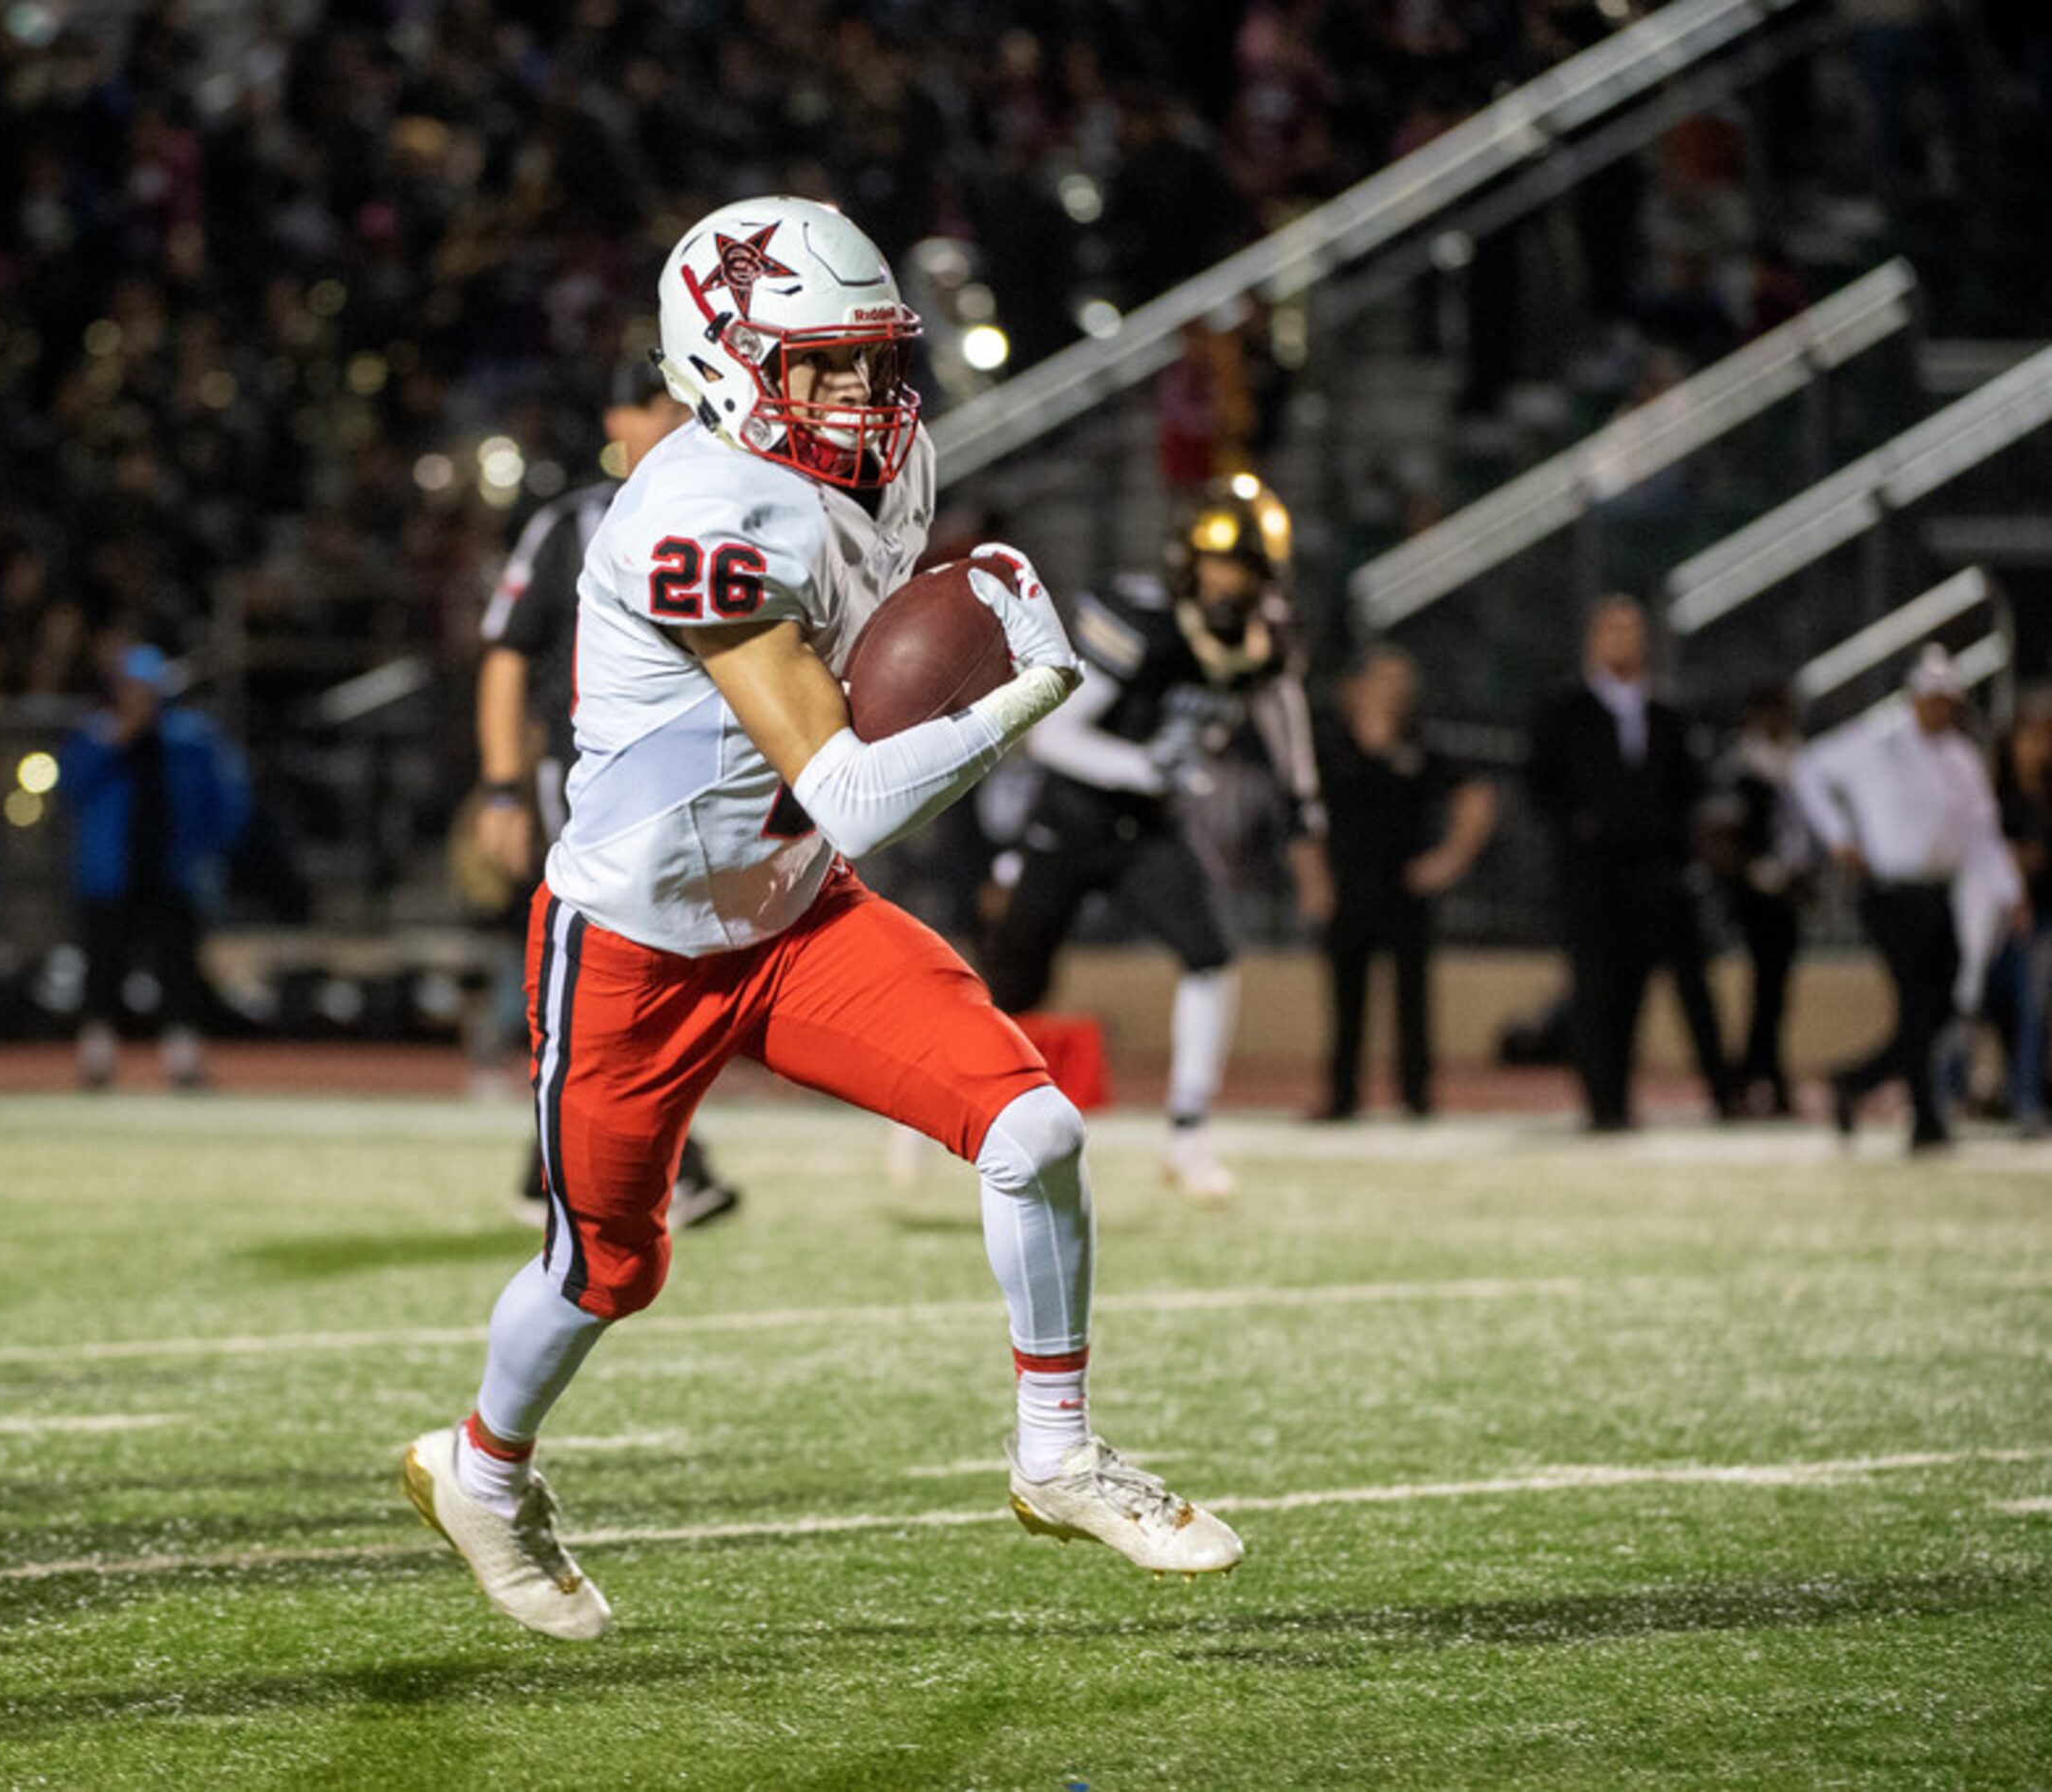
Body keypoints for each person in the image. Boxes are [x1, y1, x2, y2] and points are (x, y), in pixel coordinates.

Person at [401, 197, 1242, 1643]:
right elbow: (853, 786)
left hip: (792, 917)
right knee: (607, 1264)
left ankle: (1056, 1450)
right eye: (821, 365)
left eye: (871, 358)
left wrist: (954, 625)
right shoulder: (690, 514)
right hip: (641, 945)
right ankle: (483, 1470)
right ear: (724, 362)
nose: (862, 395)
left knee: (1035, 1129)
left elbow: (868, 681)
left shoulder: (892, 457)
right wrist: (1023, 689)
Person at [980, 473, 1328, 1198]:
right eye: (1223, 563)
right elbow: (1051, 738)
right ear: (1188, 561)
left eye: (1249, 569)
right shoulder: (1143, 620)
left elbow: (1280, 705)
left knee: (1210, 954)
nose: (1233, 582)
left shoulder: (1265, 634)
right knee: (1014, 982)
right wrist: (1143, 765)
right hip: (1071, 816)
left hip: (1147, 827)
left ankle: (1190, 1133)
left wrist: (1303, 804)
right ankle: (934, 1110)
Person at [472, 356, 741, 1231]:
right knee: (614, 949)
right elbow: (508, 654)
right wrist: (506, 788)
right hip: (596, 774)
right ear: (617, 420)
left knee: (657, 959)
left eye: (677, 407)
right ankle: (630, 1163)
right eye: (650, 406)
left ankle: (557, 1161)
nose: (665, 423)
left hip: (694, 772)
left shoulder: (724, 506)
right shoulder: (574, 523)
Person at [1794, 649, 2021, 1151]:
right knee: (1918, 1001)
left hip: (1940, 895)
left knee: (1941, 1006)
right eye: (1932, 700)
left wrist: (2010, 891)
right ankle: (1927, 1121)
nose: (1939, 710)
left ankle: (1855, 1081)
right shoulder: (1879, 740)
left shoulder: (1961, 757)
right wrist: (1838, 836)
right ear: (1916, 697)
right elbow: (1808, 769)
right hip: (1891, 894)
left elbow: (1984, 834)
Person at [1524, 596, 1734, 1131]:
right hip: (1590, 877)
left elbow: (1690, 788)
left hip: (1656, 873)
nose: (1622, 641)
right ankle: (1604, 1101)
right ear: (1593, 639)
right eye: (1611, 630)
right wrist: (1581, 827)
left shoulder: (1666, 713)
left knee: (1648, 986)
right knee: (1596, 990)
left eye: (1631, 630)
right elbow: (1539, 785)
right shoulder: (1564, 709)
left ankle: (1719, 1091)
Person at [1309, 646, 1495, 1120]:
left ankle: (1416, 1096)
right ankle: (1342, 1096)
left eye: (1403, 683)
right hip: (1349, 885)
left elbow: (1476, 799)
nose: (1394, 691)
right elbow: (1302, 819)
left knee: (1413, 997)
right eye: (1385, 679)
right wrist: (1314, 879)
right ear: (1361, 685)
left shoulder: (1421, 746)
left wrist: (1449, 861)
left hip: (1405, 888)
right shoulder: (1331, 748)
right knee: (1346, 998)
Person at [61, 643, 251, 1090]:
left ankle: (183, 1062)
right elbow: (69, 788)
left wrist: (207, 849)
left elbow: (225, 799)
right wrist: (117, 741)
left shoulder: (189, 739)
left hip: (171, 872)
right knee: (104, 970)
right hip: (111, 875)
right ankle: (97, 1061)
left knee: (179, 971)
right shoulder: (100, 736)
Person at [1705, 685, 1816, 1118]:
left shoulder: (1799, 763)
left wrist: (1804, 873)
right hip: (1751, 895)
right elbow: (1717, 835)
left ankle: (1760, 1072)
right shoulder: (1739, 767)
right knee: (1766, 990)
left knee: (1775, 990)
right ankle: (1757, 1074)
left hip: (1787, 892)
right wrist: (1754, 869)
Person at [1984, 692, 2052, 1136]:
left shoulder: (2047, 797)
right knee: (1989, 1005)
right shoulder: (1995, 796)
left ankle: (2028, 1100)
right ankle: (2006, 1093)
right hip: (1997, 917)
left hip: (2043, 914)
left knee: (2033, 1003)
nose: (2039, 744)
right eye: (2030, 734)